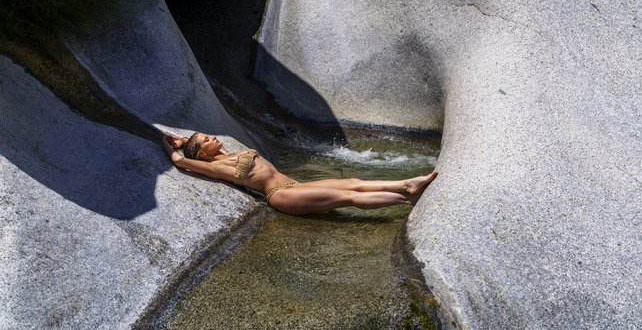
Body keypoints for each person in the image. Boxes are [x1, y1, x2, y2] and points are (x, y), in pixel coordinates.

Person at [162, 133, 438, 215]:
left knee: (353, 182)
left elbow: (186, 146)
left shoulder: (228, 155)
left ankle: (407, 183)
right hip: (280, 195)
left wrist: (183, 139)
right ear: (201, 154)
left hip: (294, 184)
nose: (212, 137)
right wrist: (170, 144)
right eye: (207, 140)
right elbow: (179, 160)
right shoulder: (212, 166)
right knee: (348, 197)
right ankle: (406, 199)